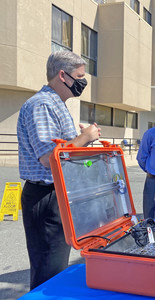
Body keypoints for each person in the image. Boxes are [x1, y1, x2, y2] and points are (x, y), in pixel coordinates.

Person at [17, 51, 101, 290]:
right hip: (46, 196)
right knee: (49, 270)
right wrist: (84, 137)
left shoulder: (58, 104)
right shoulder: (43, 104)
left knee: (57, 267)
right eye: (79, 76)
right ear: (62, 75)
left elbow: (64, 149)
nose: (83, 82)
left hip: (58, 194)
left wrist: (83, 141)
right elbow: (47, 158)